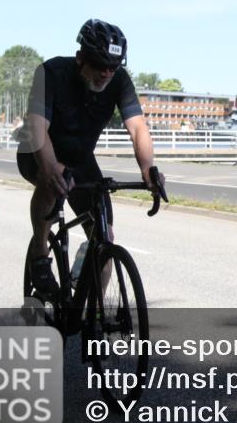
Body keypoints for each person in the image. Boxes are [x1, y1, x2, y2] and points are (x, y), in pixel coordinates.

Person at [15, 19, 161, 296]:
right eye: (99, 65)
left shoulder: (119, 80)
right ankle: (40, 253)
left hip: (80, 158)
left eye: (113, 67)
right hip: (37, 149)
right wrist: (50, 168)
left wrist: (148, 169)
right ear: (81, 58)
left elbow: (138, 126)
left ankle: (90, 321)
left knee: (105, 236)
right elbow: (37, 126)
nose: (106, 73)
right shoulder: (51, 72)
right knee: (51, 181)